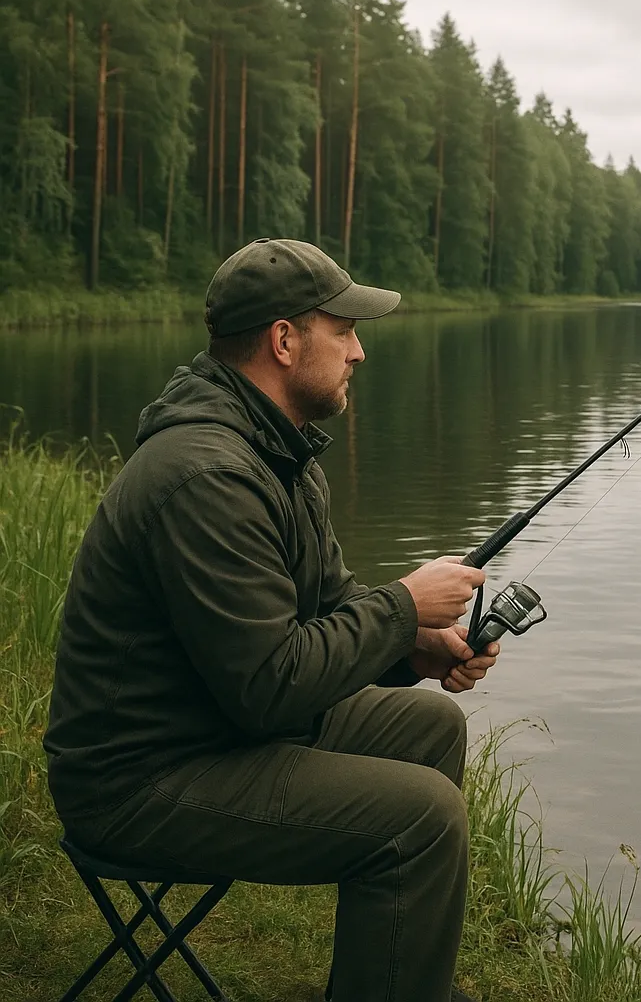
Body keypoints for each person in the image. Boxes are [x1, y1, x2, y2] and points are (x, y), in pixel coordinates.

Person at [43, 238, 499, 1002]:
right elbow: (268, 685)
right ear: (284, 341)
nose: (358, 351)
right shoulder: (206, 475)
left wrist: (416, 647)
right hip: (137, 779)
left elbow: (326, 610)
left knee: (432, 730)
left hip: (210, 727)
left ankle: (399, 976)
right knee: (422, 818)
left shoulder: (278, 454)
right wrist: (401, 605)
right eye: (343, 329)